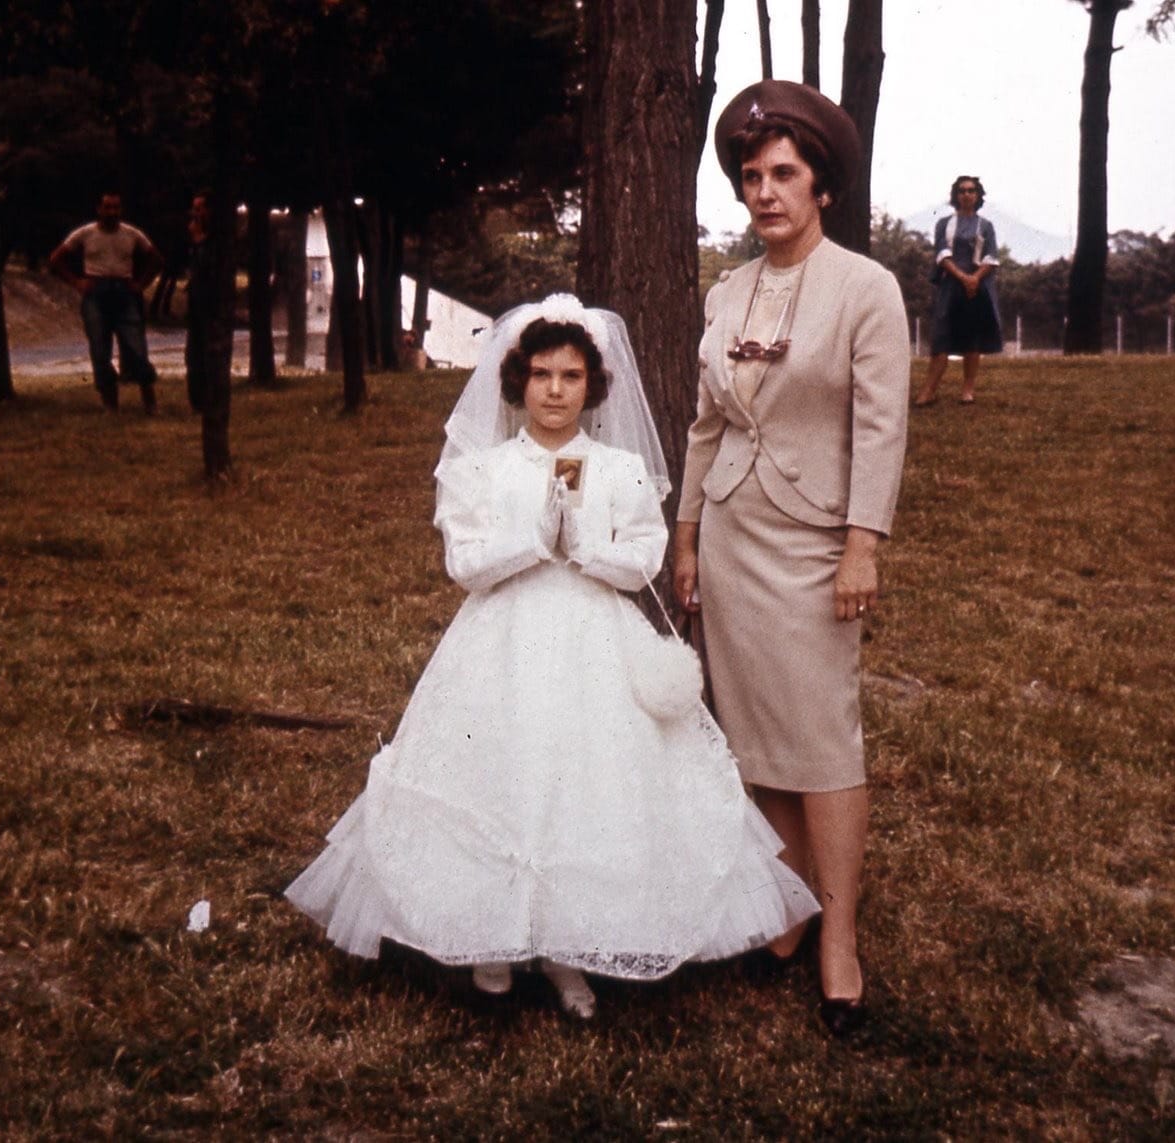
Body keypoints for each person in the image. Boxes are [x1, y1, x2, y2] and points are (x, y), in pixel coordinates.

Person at [286, 294, 819, 1020]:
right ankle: (493, 937)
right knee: (503, 771)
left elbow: (643, 558)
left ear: (593, 385)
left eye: (571, 376)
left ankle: (572, 945)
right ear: (518, 381)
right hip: (504, 636)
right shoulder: (485, 468)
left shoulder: (620, 468)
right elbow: (465, 564)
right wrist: (533, 538)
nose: (555, 391)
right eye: (541, 375)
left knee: (583, 780)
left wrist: (587, 546)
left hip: (593, 639)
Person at [672, 80, 910, 1040]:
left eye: (783, 173)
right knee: (759, 733)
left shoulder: (866, 288)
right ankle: (786, 907)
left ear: (822, 186)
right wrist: (686, 532)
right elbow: (705, 424)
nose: (764, 192)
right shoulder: (727, 292)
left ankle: (838, 938)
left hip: (816, 542)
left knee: (823, 740)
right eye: (750, 176)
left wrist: (863, 544)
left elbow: (882, 428)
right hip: (731, 535)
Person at [49, 191, 164, 412]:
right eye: (107, 207)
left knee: (136, 346)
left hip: (124, 292)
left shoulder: (131, 234)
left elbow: (156, 258)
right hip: (96, 293)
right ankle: (110, 403)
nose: (112, 212)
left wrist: (141, 284)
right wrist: (76, 281)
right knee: (100, 349)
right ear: (99, 209)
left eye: (116, 208)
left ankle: (149, 400)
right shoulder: (85, 233)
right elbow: (56, 258)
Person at [914, 176, 1002, 406]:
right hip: (951, 285)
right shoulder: (944, 224)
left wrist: (974, 279)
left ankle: (967, 390)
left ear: (978, 195)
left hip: (976, 287)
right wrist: (963, 277)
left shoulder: (986, 226)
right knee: (942, 336)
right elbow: (942, 254)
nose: (966, 195)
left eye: (971, 190)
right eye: (962, 191)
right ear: (956, 195)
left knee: (972, 338)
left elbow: (991, 257)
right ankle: (928, 391)